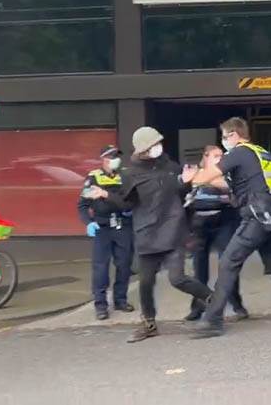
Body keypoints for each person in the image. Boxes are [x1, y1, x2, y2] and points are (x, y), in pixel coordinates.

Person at [190, 117, 271, 339]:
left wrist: (193, 177)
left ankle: (212, 320)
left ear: (234, 135)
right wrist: (208, 181)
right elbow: (232, 184)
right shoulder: (260, 152)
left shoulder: (238, 152)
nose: (223, 141)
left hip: (257, 216)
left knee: (228, 262)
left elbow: (208, 175)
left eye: (225, 136)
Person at [84, 127, 212, 343]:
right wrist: (105, 194)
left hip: (173, 228)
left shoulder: (170, 166)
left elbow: (180, 191)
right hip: (147, 232)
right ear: (142, 150)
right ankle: (149, 324)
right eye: (152, 145)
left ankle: (213, 300)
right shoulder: (130, 173)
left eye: (158, 143)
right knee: (145, 282)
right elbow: (127, 203)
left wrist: (187, 182)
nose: (157, 148)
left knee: (177, 278)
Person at [182, 145, 246, 322]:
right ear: (206, 157)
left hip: (223, 221)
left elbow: (228, 187)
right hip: (199, 224)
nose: (220, 158)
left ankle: (237, 304)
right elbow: (184, 191)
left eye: (221, 155)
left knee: (227, 263)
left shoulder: (226, 174)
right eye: (215, 155)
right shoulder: (195, 172)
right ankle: (198, 307)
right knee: (199, 268)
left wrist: (202, 178)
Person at [77, 145, 134, 321]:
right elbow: (83, 205)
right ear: (104, 159)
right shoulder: (93, 177)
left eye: (117, 155)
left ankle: (120, 300)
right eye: (112, 156)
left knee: (124, 265)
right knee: (100, 267)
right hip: (102, 227)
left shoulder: (125, 176)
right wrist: (89, 222)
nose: (116, 159)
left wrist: (106, 195)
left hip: (122, 225)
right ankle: (101, 305)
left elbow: (128, 201)